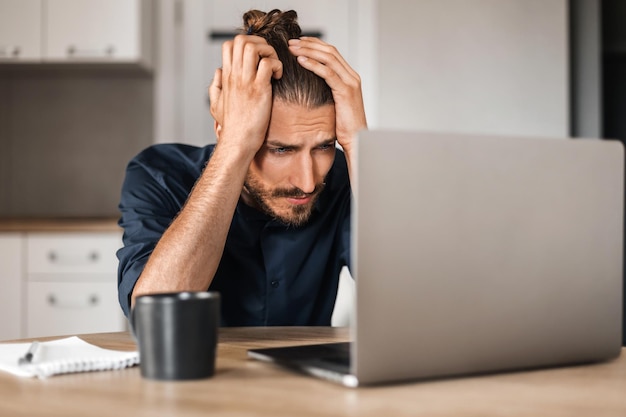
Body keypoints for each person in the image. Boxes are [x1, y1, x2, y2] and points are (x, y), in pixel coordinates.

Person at [116, 9, 367, 326]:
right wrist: (235, 144)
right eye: (280, 149)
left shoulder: (345, 180)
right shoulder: (158, 175)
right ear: (224, 127)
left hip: (305, 377)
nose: (307, 182)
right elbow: (156, 317)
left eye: (324, 147)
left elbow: (410, 303)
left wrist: (359, 143)